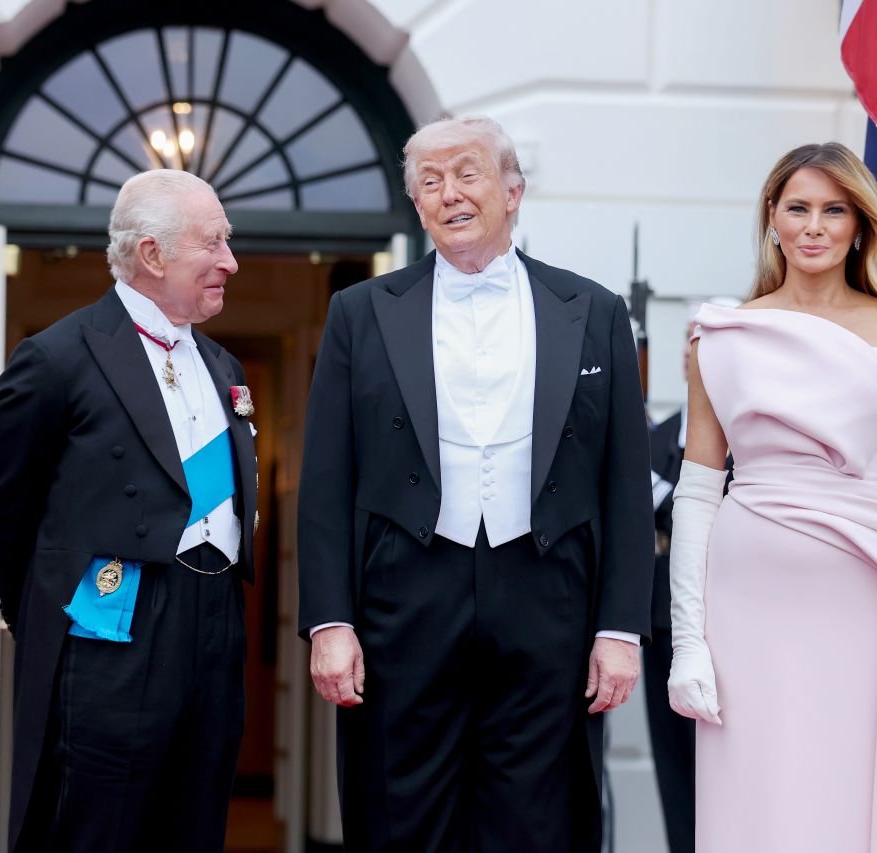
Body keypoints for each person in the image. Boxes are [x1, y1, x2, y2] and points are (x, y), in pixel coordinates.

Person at [297, 116, 653, 851]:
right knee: (401, 812)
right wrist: (330, 622)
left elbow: (623, 483)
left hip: (549, 594)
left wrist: (619, 629)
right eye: (430, 182)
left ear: (513, 191)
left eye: (467, 174)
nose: (449, 194)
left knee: (539, 820)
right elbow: (326, 479)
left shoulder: (594, 311)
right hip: (403, 597)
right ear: (417, 205)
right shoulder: (359, 312)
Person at [670, 142, 877, 851]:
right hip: (748, 607)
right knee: (764, 799)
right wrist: (688, 643)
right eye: (798, 208)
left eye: (834, 210)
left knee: (862, 794)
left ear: (860, 224)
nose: (813, 226)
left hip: (874, 598)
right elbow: (697, 494)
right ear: (772, 218)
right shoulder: (722, 335)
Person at [0, 169, 258, 852]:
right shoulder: (56, 358)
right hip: (112, 628)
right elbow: (7, 507)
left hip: (215, 620)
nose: (230, 261)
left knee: (195, 825)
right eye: (213, 243)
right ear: (153, 254)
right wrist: (44, 613)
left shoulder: (223, 365)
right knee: (96, 828)